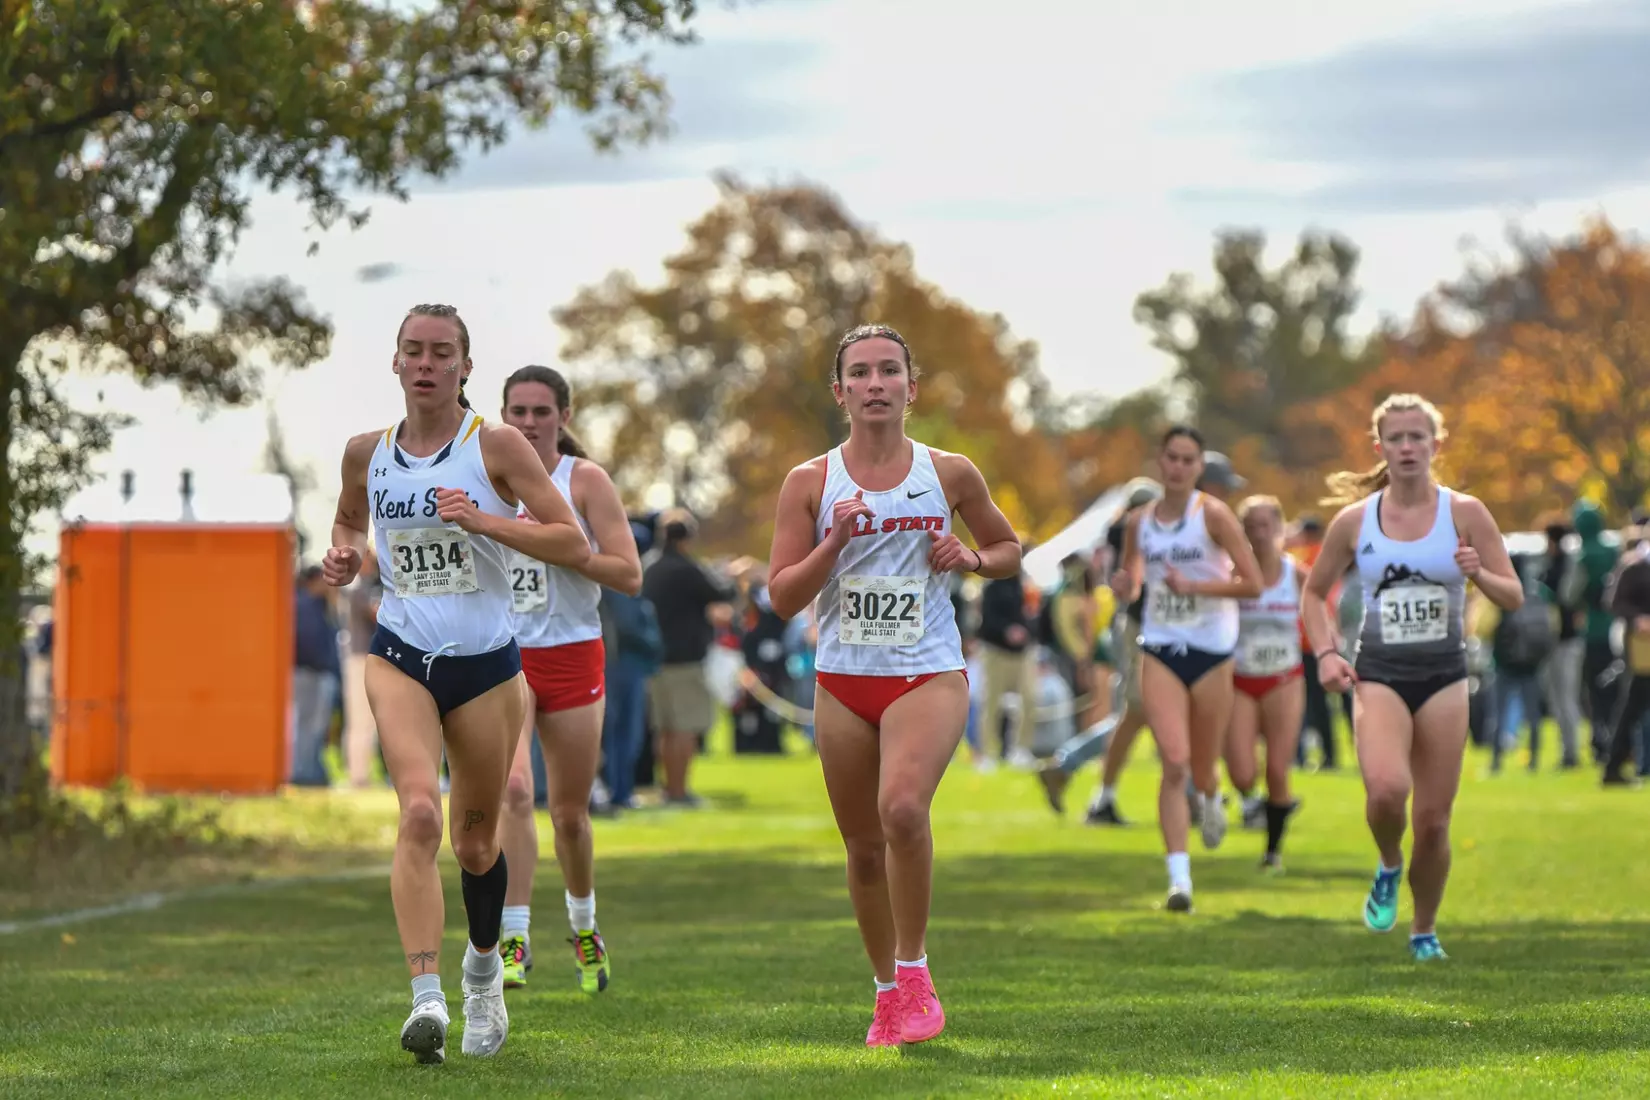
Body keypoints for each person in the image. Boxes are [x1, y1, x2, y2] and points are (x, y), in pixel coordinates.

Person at [322, 304, 591, 1064]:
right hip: (400, 652)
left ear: (466, 367)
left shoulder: (496, 445)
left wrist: (485, 521)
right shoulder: (365, 453)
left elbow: (569, 538)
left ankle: (481, 975)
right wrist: (343, 556)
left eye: (443, 352)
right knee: (415, 815)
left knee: (475, 846)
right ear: (397, 363)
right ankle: (426, 998)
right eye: (415, 351)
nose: (428, 363)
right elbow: (348, 524)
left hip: (486, 667)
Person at [766, 323, 1021, 1047]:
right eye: (860, 373)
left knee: (903, 809)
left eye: (888, 372)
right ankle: (885, 993)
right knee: (863, 847)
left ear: (913, 387)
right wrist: (833, 542)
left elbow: (1007, 549)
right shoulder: (810, 482)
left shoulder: (950, 472)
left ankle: (915, 972)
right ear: (840, 391)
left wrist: (968, 557)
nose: (875, 384)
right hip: (844, 681)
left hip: (926, 670)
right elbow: (783, 596)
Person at [1301, 393, 1521, 962]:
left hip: (1446, 675)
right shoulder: (1355, 522)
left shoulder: (1466, 512)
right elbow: (1312, 593)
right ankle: (1389, 865)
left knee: (1433, 819)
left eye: (1416, 437)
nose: (1406, 447)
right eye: (1395, 438)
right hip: (1379, 674)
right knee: (1387, 792)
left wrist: (1479, 575)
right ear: (1380, 448)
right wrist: (1326, 653)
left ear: (1435, 445)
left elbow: (1514, 595)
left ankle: (1424, 929)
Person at [495, 366, 642, 995]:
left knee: (570, 816)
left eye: (540, 412)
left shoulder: (584, 481)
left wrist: (564, 548)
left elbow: (629, 575)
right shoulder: (482, 479)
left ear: (564, 416)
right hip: (504, 656)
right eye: (517, 412)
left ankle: (584, 925)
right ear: (502, 416)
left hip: (574, 654)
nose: (528, 423)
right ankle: (514, 937)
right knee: (514, 793)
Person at [1111, 426, 1262, 912]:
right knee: (1173, 762)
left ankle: (1214, 797)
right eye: (1171, 458)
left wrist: (1195, 589)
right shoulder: (1140, 521)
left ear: (1199, 467)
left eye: (1188, 460)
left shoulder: (1213, 515)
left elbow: (1252, 583)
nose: (1178, 468)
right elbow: (1135, 578)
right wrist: (1125, 586)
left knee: (1202, 763)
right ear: (1160, 462)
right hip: (1160, 645)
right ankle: (1180, 881)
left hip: (1213, 649)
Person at [1225, 496, 1304, 871]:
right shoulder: (1231, 576)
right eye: (1251, 527)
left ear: (1280, 528)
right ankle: (1260, 804)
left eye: (1266, 525)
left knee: (1277, 767)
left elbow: (1322, 612)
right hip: (1240, 679)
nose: (1259, 534)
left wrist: (1332, 647)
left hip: (1284, 677)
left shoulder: (1297, 575)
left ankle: (1272, 852)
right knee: (1241, 772)